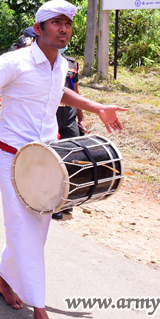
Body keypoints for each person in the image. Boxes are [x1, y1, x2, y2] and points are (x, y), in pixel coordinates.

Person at [0, 0, 127, 319]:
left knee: (38, 227)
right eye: (56, 23)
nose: (63, 29)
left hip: (47, 160)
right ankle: (38, 308)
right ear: (39, 28)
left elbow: (58, 93)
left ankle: (2, 279)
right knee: (21, 226)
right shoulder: (14, 61)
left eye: (67, 24)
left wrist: (97, 106)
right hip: (13, 158)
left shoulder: (60, 64)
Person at [52, 48, 86, 220]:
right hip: (52, 115)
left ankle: (67, 200)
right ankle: (53, 202)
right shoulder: (48, 62)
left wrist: (82, 118)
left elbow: (75, 92)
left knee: (72, 157)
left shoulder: (71, 63)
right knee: (54, 159)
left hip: (70, 117)